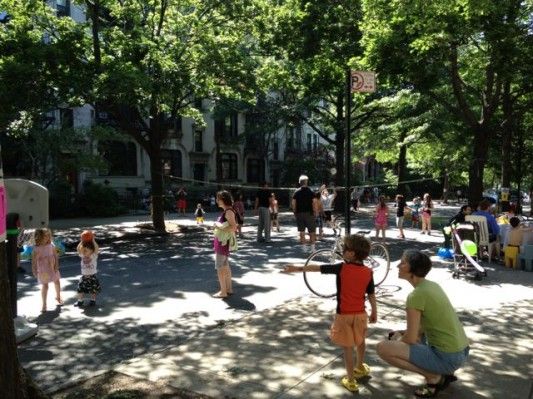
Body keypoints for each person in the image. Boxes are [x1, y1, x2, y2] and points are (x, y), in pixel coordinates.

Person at [283, 235, 377, 392]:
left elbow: (317, 268)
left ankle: (351, 381)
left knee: (347, 348)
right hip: (361, 314)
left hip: (343, 315)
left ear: (352, 253)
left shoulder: (342, 268)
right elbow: (371, 294)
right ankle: (360, 367)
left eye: (345, 249)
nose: (343, 251)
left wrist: (296, 268)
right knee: (361, 340)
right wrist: (375, 311)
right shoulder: (368, 272)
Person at [377, 251, 469, 398]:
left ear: (412, 269)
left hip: (449, 358)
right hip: (462, 352)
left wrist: (397, 341)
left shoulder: (416, 295)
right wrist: (402, 332)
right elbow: (426, 324)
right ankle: (444, 373)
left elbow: (411, 339)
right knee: (413, 336)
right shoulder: (432, 286)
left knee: (383, 348)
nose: (398, 265)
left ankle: (433, 377)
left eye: (403, 262)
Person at [212, 190, 237, 298]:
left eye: (218, 198)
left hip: (223, 243)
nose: (217, 201)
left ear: (223, 199)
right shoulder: (227, 211)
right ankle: (228, 289)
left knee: (220, 267)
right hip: (223, 242)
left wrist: (218, 226)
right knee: (225, 266)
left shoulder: (229, 212)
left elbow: (233, 227)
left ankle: (223, 292)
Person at [32, 228, 62, 312]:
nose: (48, 237)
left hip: (52, 267)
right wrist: (34, 270)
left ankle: (58, 296)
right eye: (45, 235)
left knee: (57, 281)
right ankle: (44, 304)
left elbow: (56, 256)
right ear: (39, 236)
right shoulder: (36, 248)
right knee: (45, 286)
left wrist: (56, 265)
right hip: (43, 269)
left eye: (49, 235)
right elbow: (34, 261)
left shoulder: (51, 245)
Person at [75, 231, 101, 307]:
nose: (83, 252)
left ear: (91, 251)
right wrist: (82, 241)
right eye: (83, 250)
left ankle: (93, 300)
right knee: (80, 289)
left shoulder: (93, 256)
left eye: (85, 250)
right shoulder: (82, 256)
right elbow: (78, 249)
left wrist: (93, 240)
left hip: (92, 276)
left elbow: (96, 248)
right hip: (84, 277)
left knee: (93, 290)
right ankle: (80, 301)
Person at [292, 175, 317, 252]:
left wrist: (295, 212)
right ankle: (312, 249)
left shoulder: (296, 192)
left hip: (299, 213)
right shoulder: (311, 191)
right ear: (306, 182)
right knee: (312, 231)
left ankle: (304, 249)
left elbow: (293, 203)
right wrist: (315, 211)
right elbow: (314, 202)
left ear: (300, 182)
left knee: (302, 231)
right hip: (309, 213)